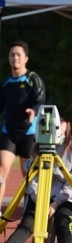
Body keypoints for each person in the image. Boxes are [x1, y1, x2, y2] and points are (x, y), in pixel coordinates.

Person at [0, 110, 72, 243]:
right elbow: (31, 178)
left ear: (67, 124)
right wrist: (39, 199)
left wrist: (54, 204)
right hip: (40, 195)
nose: (55, 125)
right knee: (28, 221)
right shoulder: (37, 146)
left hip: (64, 196)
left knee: (63, 219)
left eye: (60, 121)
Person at [0, 40, 46, 215]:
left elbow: (40, 100)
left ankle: (30, 211)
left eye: (18, 54)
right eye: (12, 54)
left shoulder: (33, 79)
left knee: (28, 175)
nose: (15, 58)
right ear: (9, 58)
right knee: (1, 172)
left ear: (26, 58)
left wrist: (33, 111)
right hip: (8, 133)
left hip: (29, 133)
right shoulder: (5, 83)